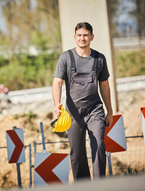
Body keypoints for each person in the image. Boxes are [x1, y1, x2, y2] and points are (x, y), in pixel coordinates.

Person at [52, 22, 113, 181]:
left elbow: (105, 86)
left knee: (99, 145)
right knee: (77, 153)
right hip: (73, 113)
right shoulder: (66, 58)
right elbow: (57, 83)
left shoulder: (100, 58)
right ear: (75, 37)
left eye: (85, 35)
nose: (82, 38)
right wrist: (56, 103)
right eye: (79, 35)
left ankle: (100, 185)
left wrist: (110, 111)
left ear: (92, 37)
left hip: (95, 111)